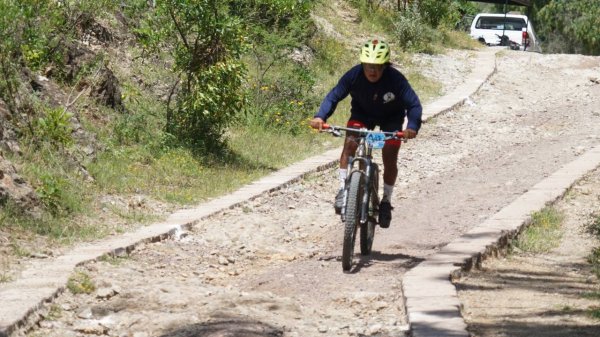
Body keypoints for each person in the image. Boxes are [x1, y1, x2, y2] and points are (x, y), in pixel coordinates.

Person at [310, 39, 422, 228]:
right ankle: (344, 191)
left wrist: (411, 127)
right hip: (362, 115)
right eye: (369, 66)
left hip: (391, 118)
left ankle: (386, 200)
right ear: (362, 64)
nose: (372, 71)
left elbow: (414, 105)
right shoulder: (353, 75)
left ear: (385, 66)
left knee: (390, 156)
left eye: (378, 67)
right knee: (350, 144)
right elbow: (334, 96)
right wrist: (320, 117)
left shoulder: (396, 79)